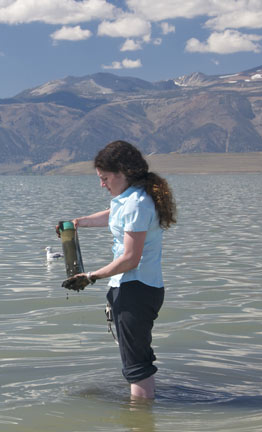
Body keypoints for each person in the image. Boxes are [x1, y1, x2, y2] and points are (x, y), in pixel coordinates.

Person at [59, 140, 176, 399]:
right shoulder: (127, 199)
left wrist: (90, 277)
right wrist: (77, 223)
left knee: (137, 369)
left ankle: (140, 420)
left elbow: (130, 259)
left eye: (105, 178)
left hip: (136, 290)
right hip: (133, 288)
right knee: (137, 363)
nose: (102, 184)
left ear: (122, 173)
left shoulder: (137, 204)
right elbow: (112, 214)